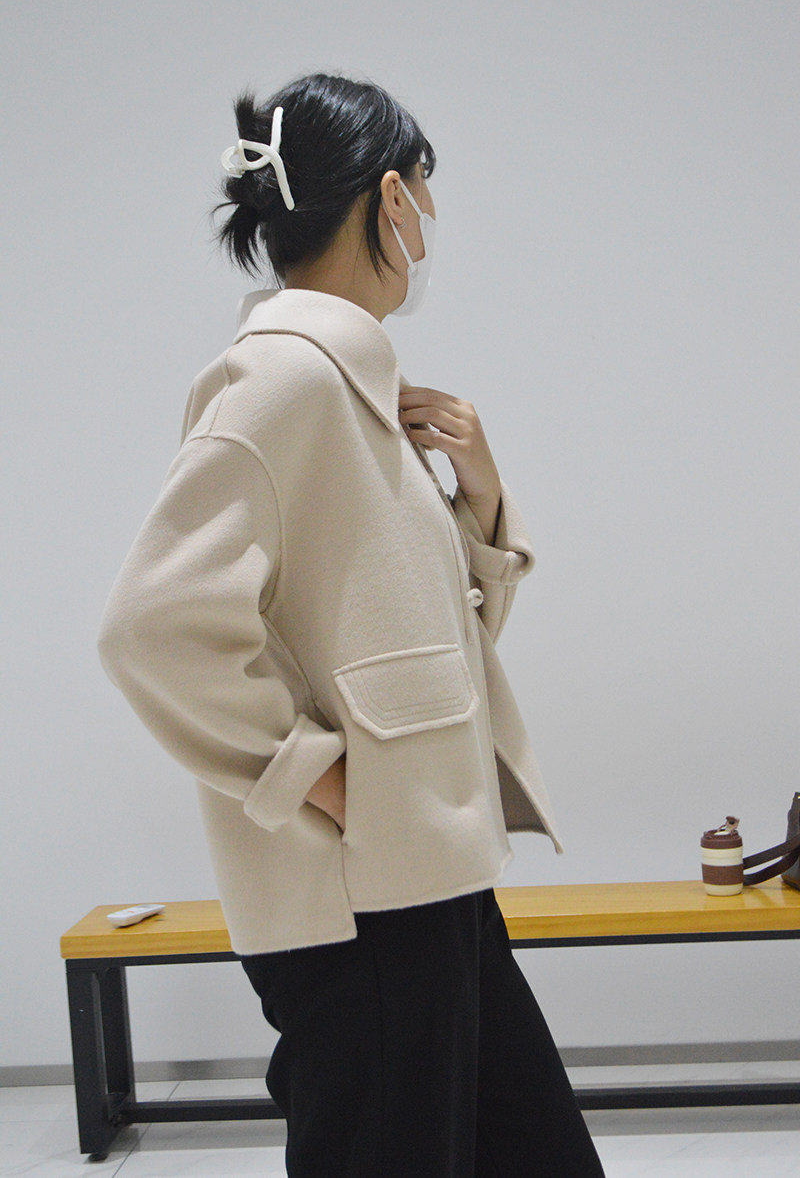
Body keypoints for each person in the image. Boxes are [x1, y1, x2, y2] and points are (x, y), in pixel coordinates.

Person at [97, 71, 605, 1177]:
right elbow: (150, 624)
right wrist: (305, 771)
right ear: (389, 196)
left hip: (427, 877)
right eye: (423, 183)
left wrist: (479, 497)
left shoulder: (351, 390)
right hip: (360, 902)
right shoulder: (283, 380)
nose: (432, 213)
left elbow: (431, 642)